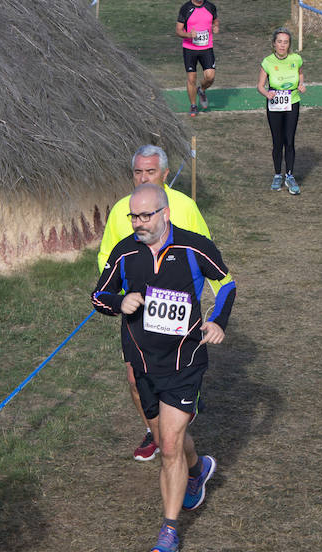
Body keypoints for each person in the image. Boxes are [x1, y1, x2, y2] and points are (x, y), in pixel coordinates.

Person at [92, 184, 236, 552]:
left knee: (167, 447)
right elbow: (98, 296)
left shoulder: (193, 246)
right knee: (167, 438)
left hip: (184, 362)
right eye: (133, 216)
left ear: (165, 213)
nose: (138, 223)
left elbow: (227, 283)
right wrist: (119, 302)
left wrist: (219, 320)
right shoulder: (125, 251)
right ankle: (199, 466)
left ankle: (168, 532)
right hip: (141, 361)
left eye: (145, 216)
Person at [97, 144, 217, 462]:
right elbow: (106, 257)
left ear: (164, 174)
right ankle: (154, 430)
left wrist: (188, 294)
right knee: (135, 379)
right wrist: (120, 296)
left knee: (178, 368)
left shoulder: (184, 207)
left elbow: (204, 254)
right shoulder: (122, 209)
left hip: (177, 311)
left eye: (151, 171)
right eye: (138, 171)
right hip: (137, 313)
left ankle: (183, 406)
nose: (144, 177)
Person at [256, 27, 306, 195]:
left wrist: (301, 84)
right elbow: (260, 86)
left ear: (289, 44)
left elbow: (300, 74)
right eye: (279, 42)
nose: (282, 45)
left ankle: (290, 176)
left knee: (289, 140)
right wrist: (267, 93)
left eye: (286, 42)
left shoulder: (296, 59)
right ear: (274, 43)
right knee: (277, 141)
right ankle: (278, 174)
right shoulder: (268, 62)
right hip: (275, 104)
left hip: (293, 102)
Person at [176, 0, 219, 117]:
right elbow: (178, 30)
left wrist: (215, 27)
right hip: (190, 49)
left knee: (210, 77)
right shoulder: (186, 8)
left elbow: (215, 21)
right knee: (192, 78)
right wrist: (189, 35)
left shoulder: (210, 7)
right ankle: (193, 105)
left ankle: (202, 90)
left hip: (206, 48)